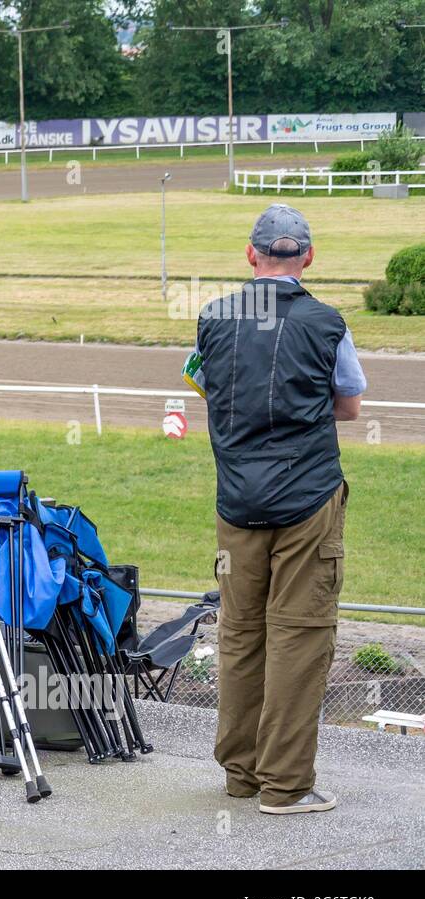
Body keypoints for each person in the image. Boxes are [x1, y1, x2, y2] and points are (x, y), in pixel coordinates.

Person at [194, 203, 366, 816]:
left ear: (250, 256)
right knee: (300, 633)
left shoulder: (212, 317)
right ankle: (286, 785)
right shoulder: (327, 322)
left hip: (235, 502)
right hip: (307, 498)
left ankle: (240, 773)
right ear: (309, 259)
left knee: (240, 633)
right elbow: (347, 408)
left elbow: (210, 389)